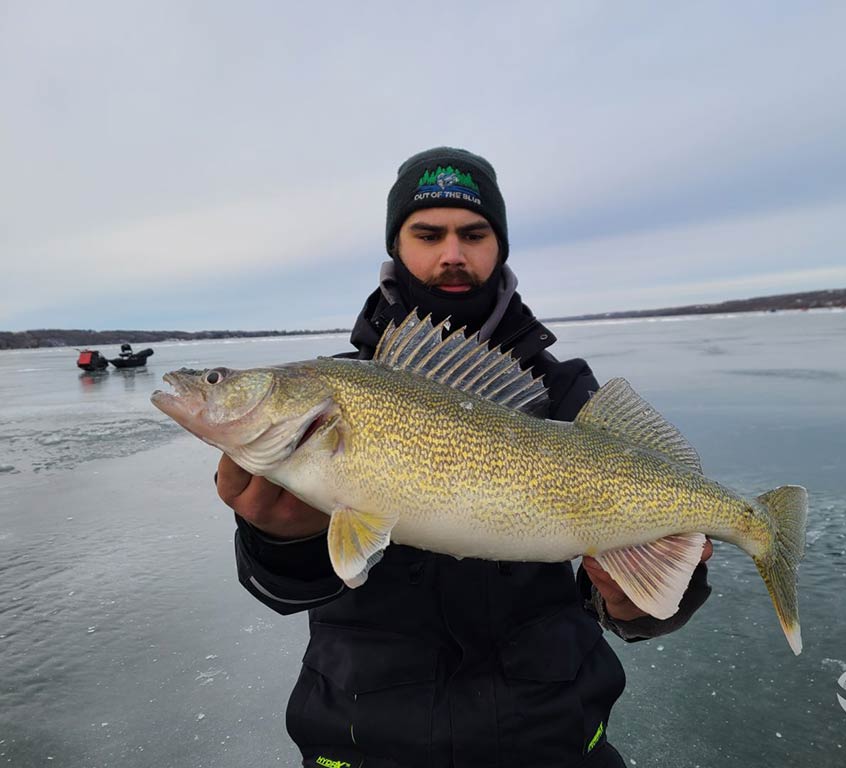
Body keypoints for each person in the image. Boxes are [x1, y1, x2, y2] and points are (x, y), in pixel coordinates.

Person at [217, 147, 713, 768]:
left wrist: (640, 597)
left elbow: (631, 611)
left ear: (498, 246)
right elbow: (281, 592)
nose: (452, 254)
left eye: (473, 234)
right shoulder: (338, 391)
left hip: (550, 742)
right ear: (396, 246)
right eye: (428, 234)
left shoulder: (561, 392)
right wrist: (277, 542)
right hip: (362, 743)